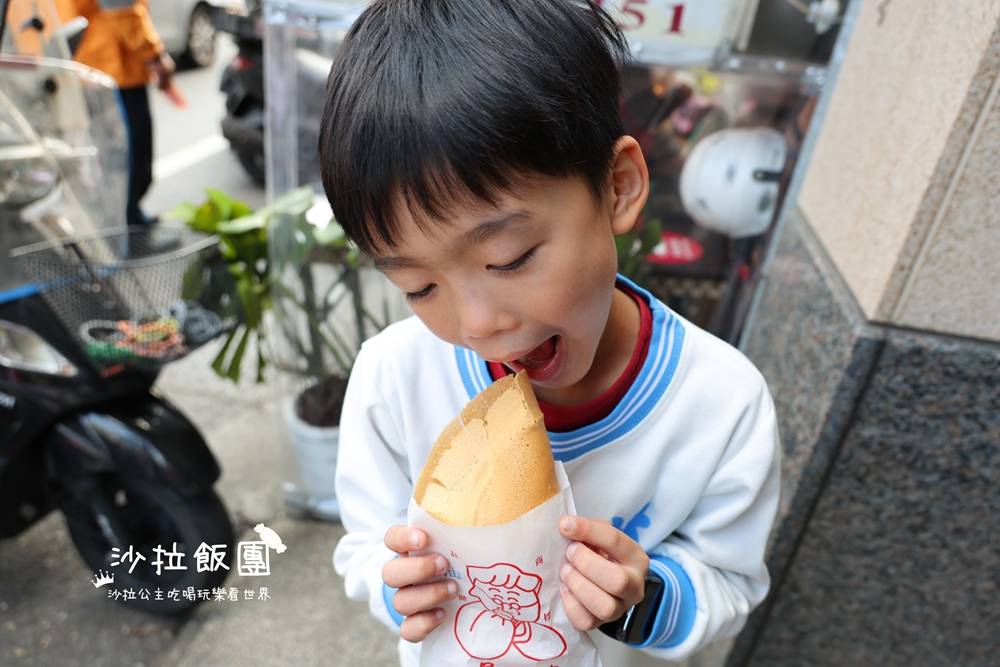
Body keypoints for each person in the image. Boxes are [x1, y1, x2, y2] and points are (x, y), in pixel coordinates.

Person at [318, 1, 781, 665]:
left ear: (618, 187)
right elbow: (364, 542)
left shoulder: (720, 404)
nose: (478, 323)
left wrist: (644, 596)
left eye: (508, 258)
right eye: (419, 286)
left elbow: (730, 578)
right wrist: (394, 589)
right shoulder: (395, 378)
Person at [58, 0, 174, 228]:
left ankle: (120, 225)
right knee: (130, 156)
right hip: (114, 64)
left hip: (89, 62)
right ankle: (130, 228)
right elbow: (121, 7)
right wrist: (154, 55)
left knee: (109, 156)